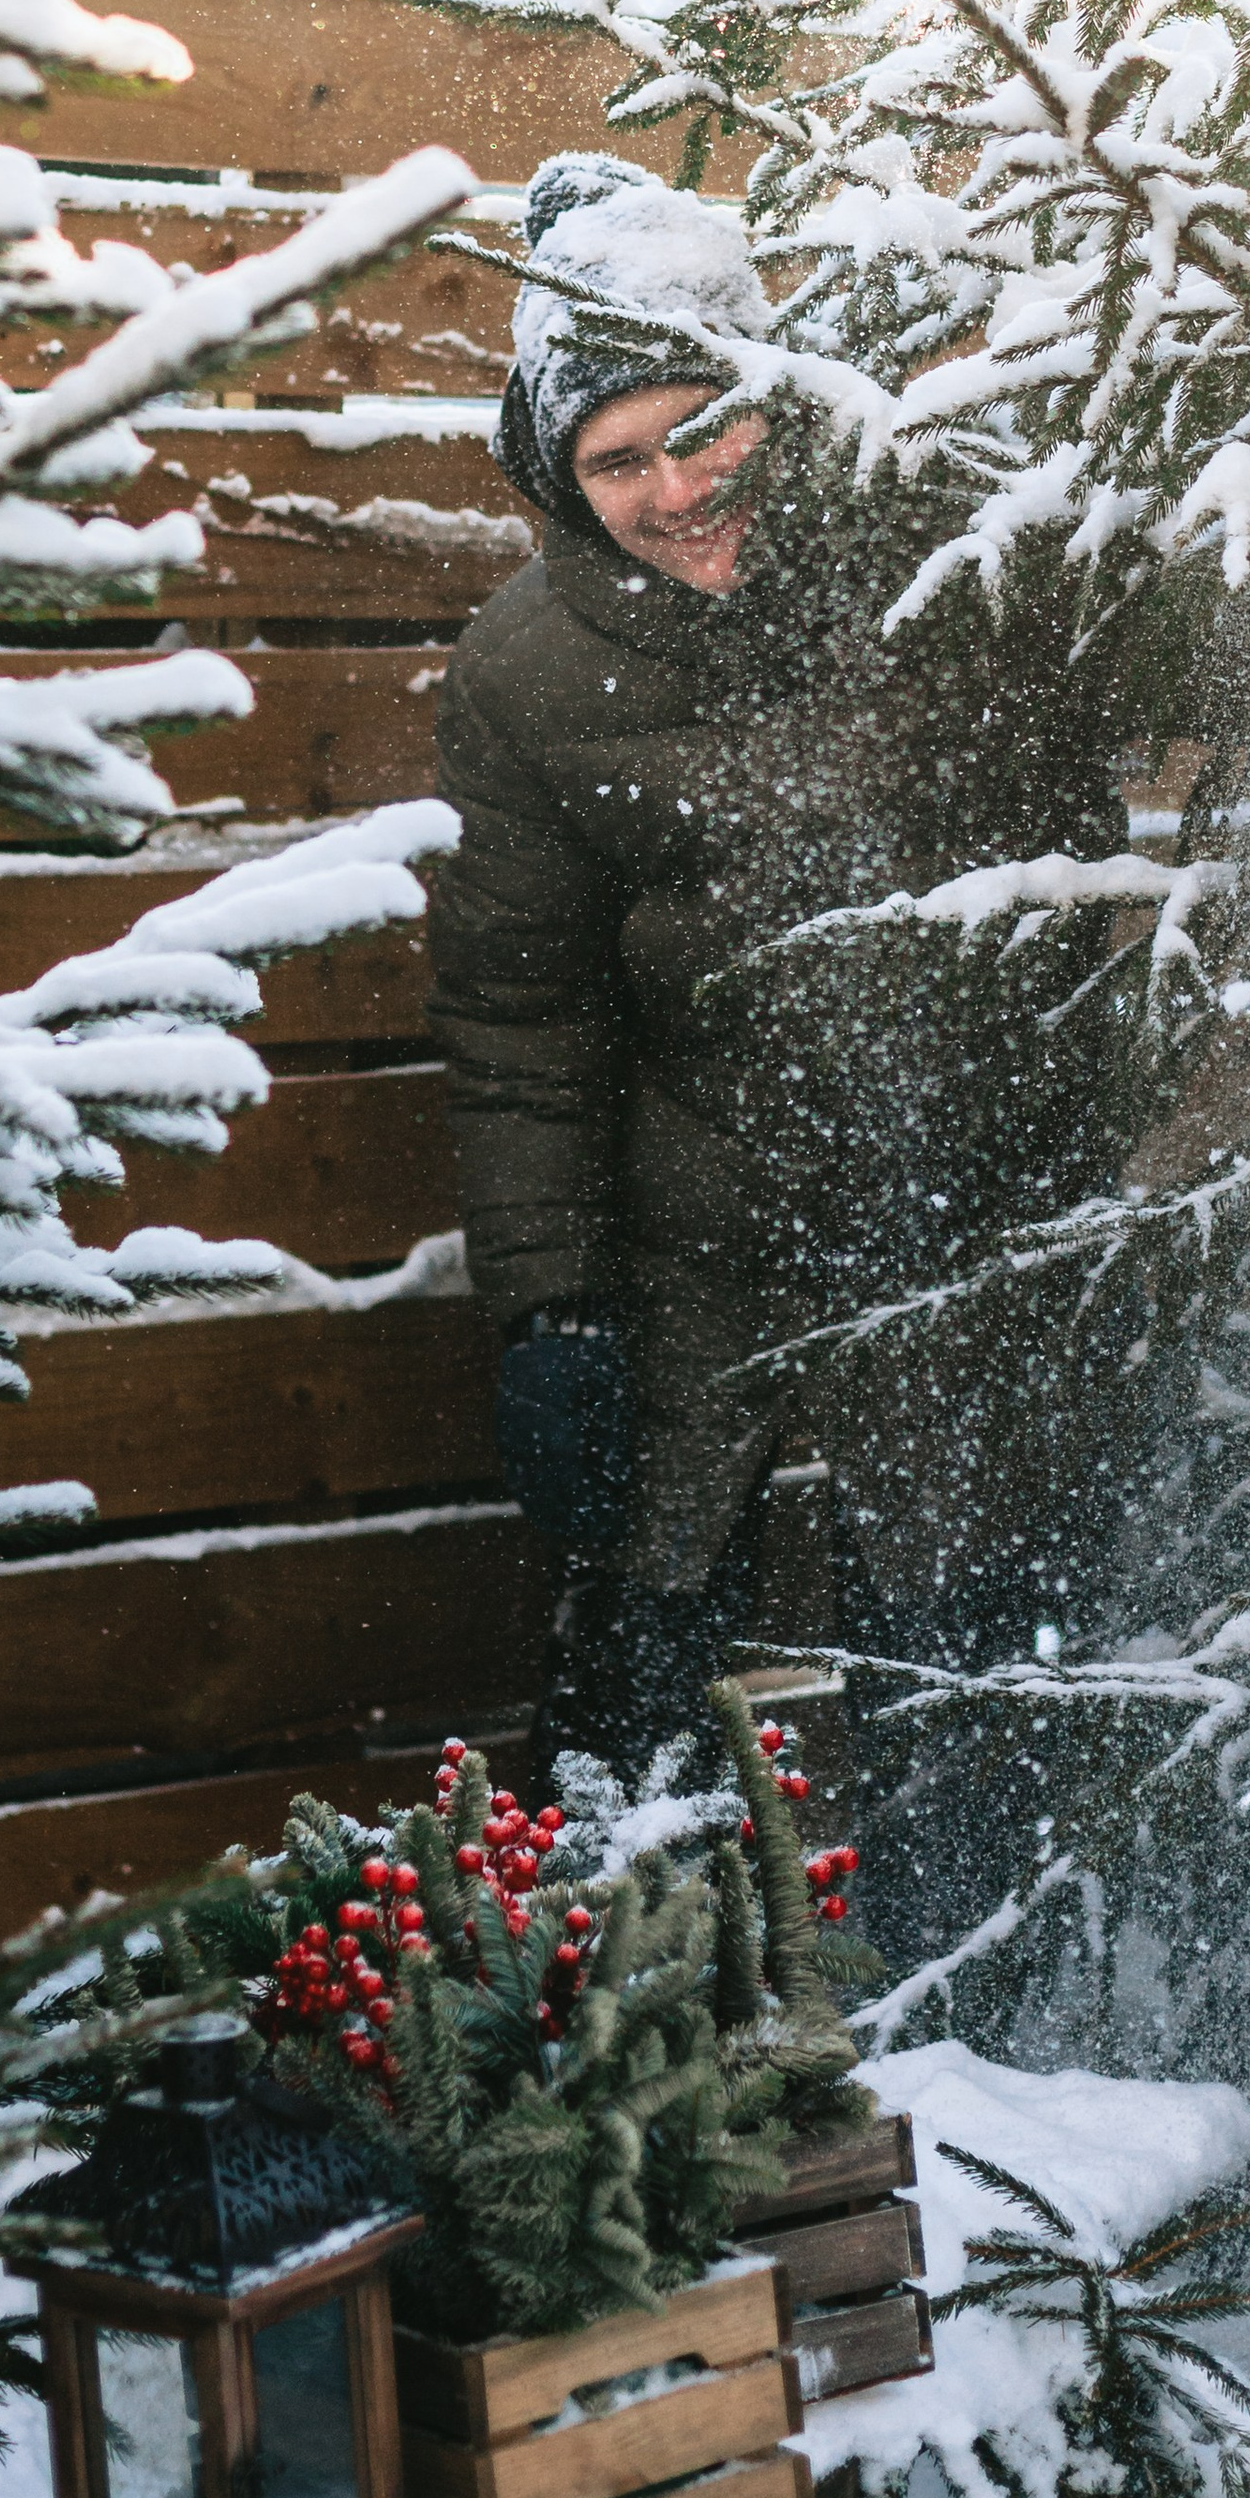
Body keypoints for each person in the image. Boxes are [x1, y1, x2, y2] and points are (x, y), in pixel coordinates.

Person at [428, 153, 1131, 1796]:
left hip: (961, 1212)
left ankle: (981, 2021)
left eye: (703, 428)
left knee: (972, 1654)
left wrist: (1057, 1171)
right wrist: (552, 1309)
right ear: (552, 463)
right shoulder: (524, 669)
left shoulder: (948, 569)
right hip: (696, 1233)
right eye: (617, 458)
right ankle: (630, 2001)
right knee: (643, 1654)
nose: (677, 489)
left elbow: (1066, 886)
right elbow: (524, 1014)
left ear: (776, 398)